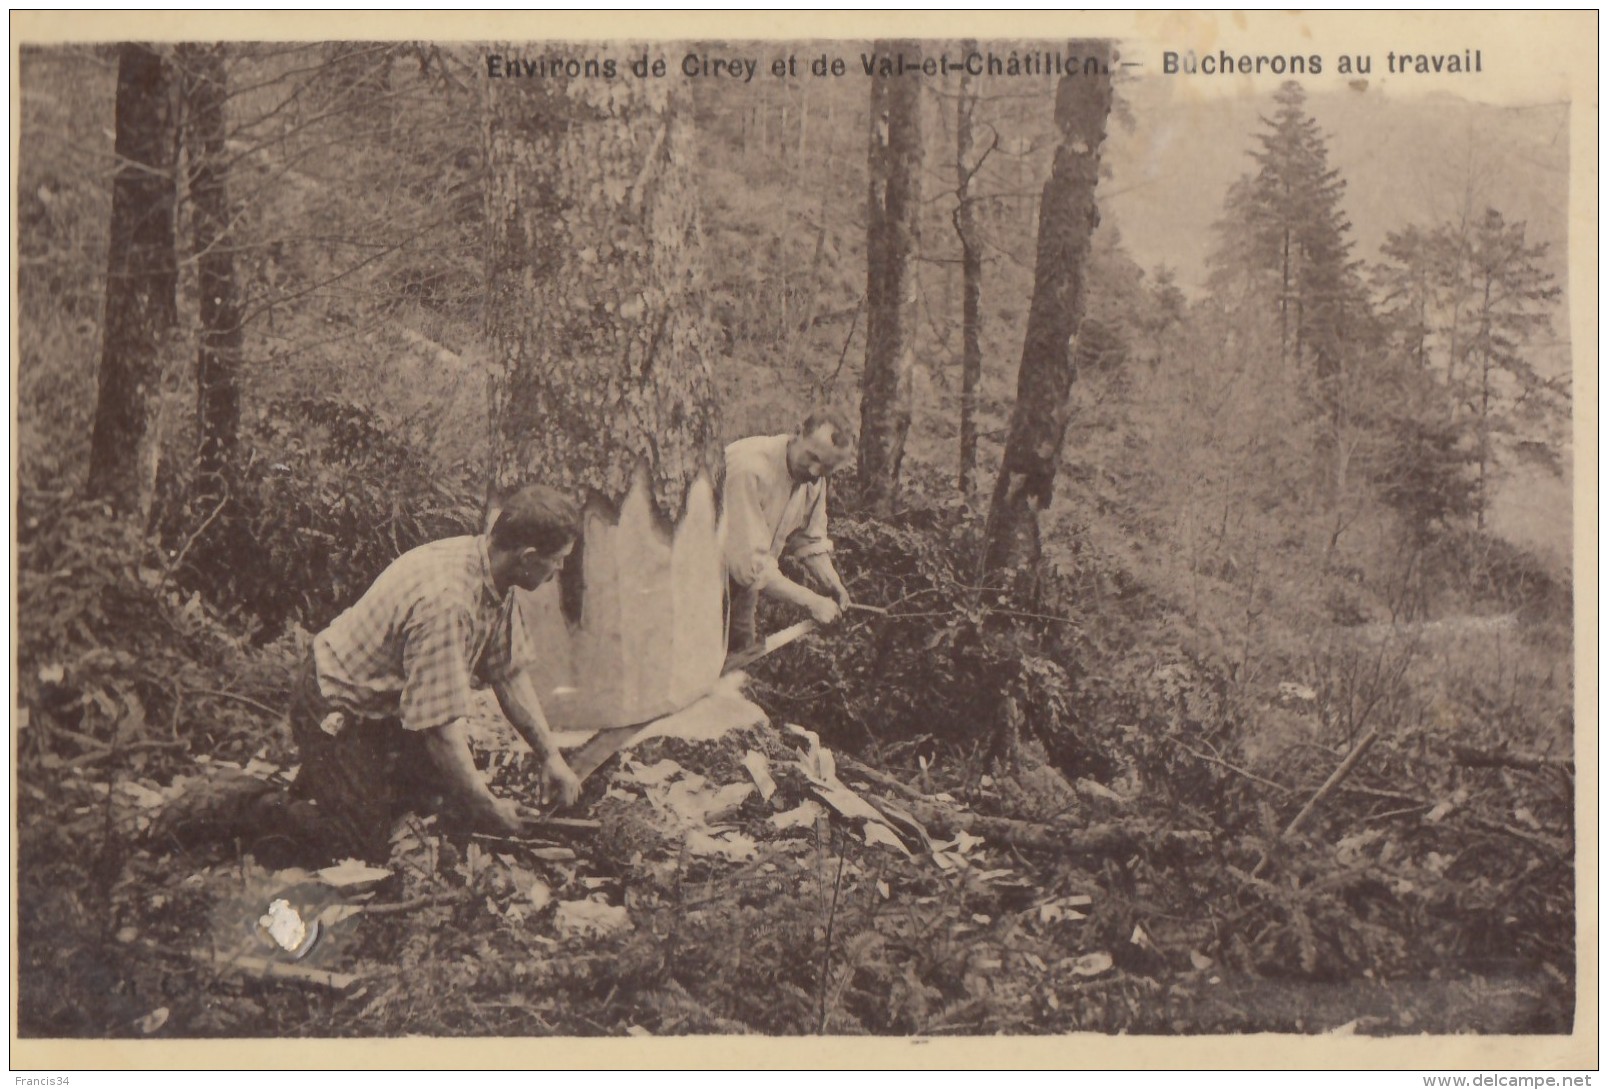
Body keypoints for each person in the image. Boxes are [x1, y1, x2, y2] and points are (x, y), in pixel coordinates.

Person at [286, 484, 584, 861]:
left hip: (391, 707)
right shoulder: (449, 603)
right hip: (336, 703)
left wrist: (550, 756)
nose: (559, 570)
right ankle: (253, 806)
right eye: (557, 560)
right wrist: (488, 807)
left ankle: (345, 781)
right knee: (359, 850)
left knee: (440, 811)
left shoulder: (493, 572)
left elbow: (507, 673)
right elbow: (439, 729)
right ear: (527, 557)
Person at [723, 408, 856, 655]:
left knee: (738, 663)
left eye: (826, 468)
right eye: (812, 458)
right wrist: (812, 601)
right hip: (700, 583)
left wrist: (831, 583)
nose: (816, 472)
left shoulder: (813, 478)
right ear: (796, 433)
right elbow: (749, 566)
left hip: (742, 589)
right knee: (697, 672)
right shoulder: (749, 468)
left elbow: (809, 538)